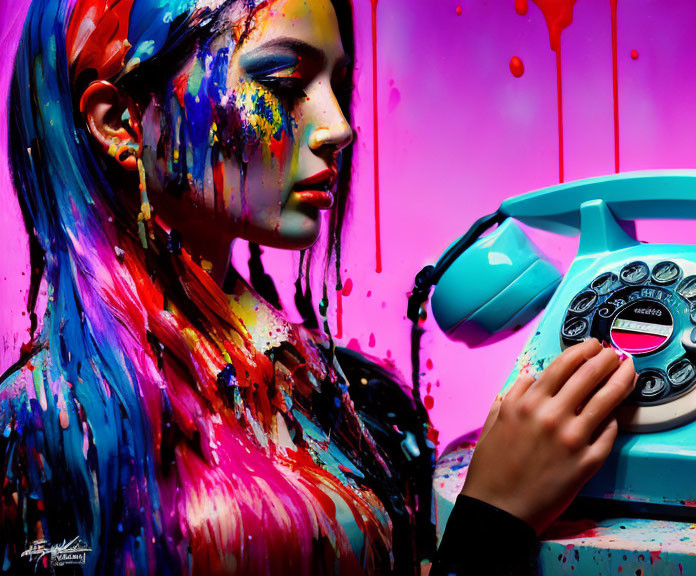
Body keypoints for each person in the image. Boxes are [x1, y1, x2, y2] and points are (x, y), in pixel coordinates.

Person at [0, 0, 636, 574]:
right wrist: (492, 523)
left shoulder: (350, 395)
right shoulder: (38, 427)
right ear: (120, 123)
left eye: (338, 84)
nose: (340, 126)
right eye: (284, 82)